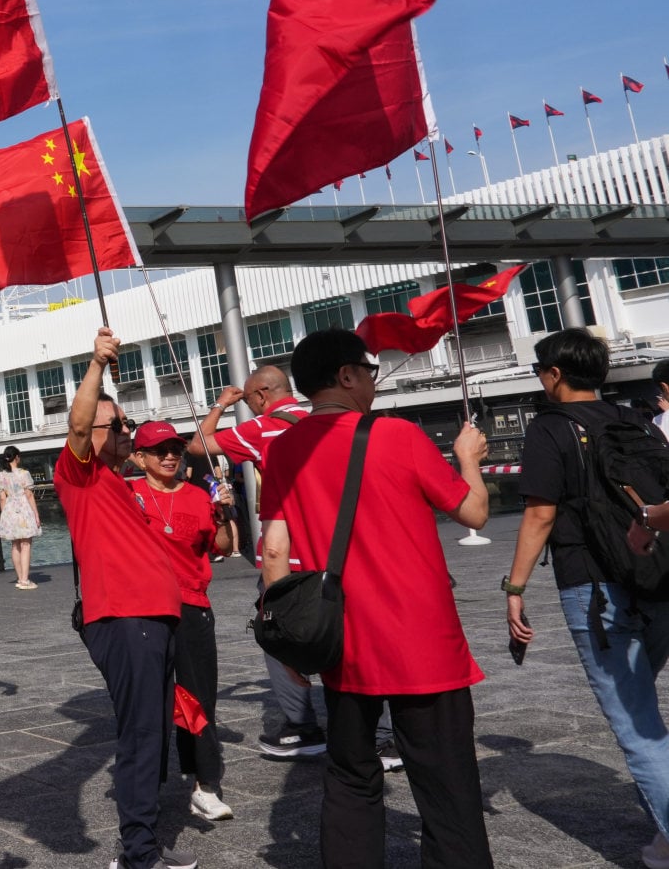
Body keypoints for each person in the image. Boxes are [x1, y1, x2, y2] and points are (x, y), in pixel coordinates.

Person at [259, 328, 493, 869]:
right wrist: (469, 459)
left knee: (349, 776)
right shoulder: (397, 435)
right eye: (368, 370)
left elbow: (275, 551)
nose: (372, 380)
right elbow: (476, 512)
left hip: (341, 641)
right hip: (420, 638)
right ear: (346, 375)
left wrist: (290, 646)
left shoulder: (284, 450)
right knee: (447, 781)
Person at [506, 329, 669, 869]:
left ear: (554, 374)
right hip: (657, 580)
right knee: (645, 711)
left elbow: (539, 514)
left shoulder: (550, 429)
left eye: (539, 371)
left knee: (636, 723)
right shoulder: (634, 419)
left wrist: (515, 589)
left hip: (594, 584)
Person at [61, 331, 195, 869]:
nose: (124, 431)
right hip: (125, 618)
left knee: (155, 733)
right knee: (141, 735)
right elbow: (77, 423)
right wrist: (95, 364)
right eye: (114, 425)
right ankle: (138, 854)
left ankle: (146, 842)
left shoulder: (119, 484)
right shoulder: (81, 474)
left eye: (125, 424)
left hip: (154, 619)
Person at [186, 364, 325, 761]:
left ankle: (302, 724)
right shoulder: (320, 421)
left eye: (248, 399)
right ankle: (377, 729)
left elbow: (198, 445)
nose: (247, 405)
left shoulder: (263, 429)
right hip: (329, 545)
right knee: (343, 630)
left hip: (288, 548)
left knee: (277, 632)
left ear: (262, 396)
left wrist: (220, 405)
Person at [129, 420, 238, 824]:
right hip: (143, 609)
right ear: (139, 458)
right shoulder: (127, 494)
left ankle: (205, 785)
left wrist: (225, 513)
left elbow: (224, 547)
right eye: (159, 450)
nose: (170, 455)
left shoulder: (197, 496)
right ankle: (147, 788)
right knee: (149, 703)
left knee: (198, 699)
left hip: (192, 606)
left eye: (175, 448)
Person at [0, 444, 42, 589]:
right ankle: (24, 580)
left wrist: (4, 516)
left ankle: (20, 577)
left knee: (15, 545)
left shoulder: (1, 475)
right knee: (26, 544)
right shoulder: (24, 473)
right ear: (17, 457)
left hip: (9, 510)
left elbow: (2, 498)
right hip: (24, 510)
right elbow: (29, 494)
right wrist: (36, 514)